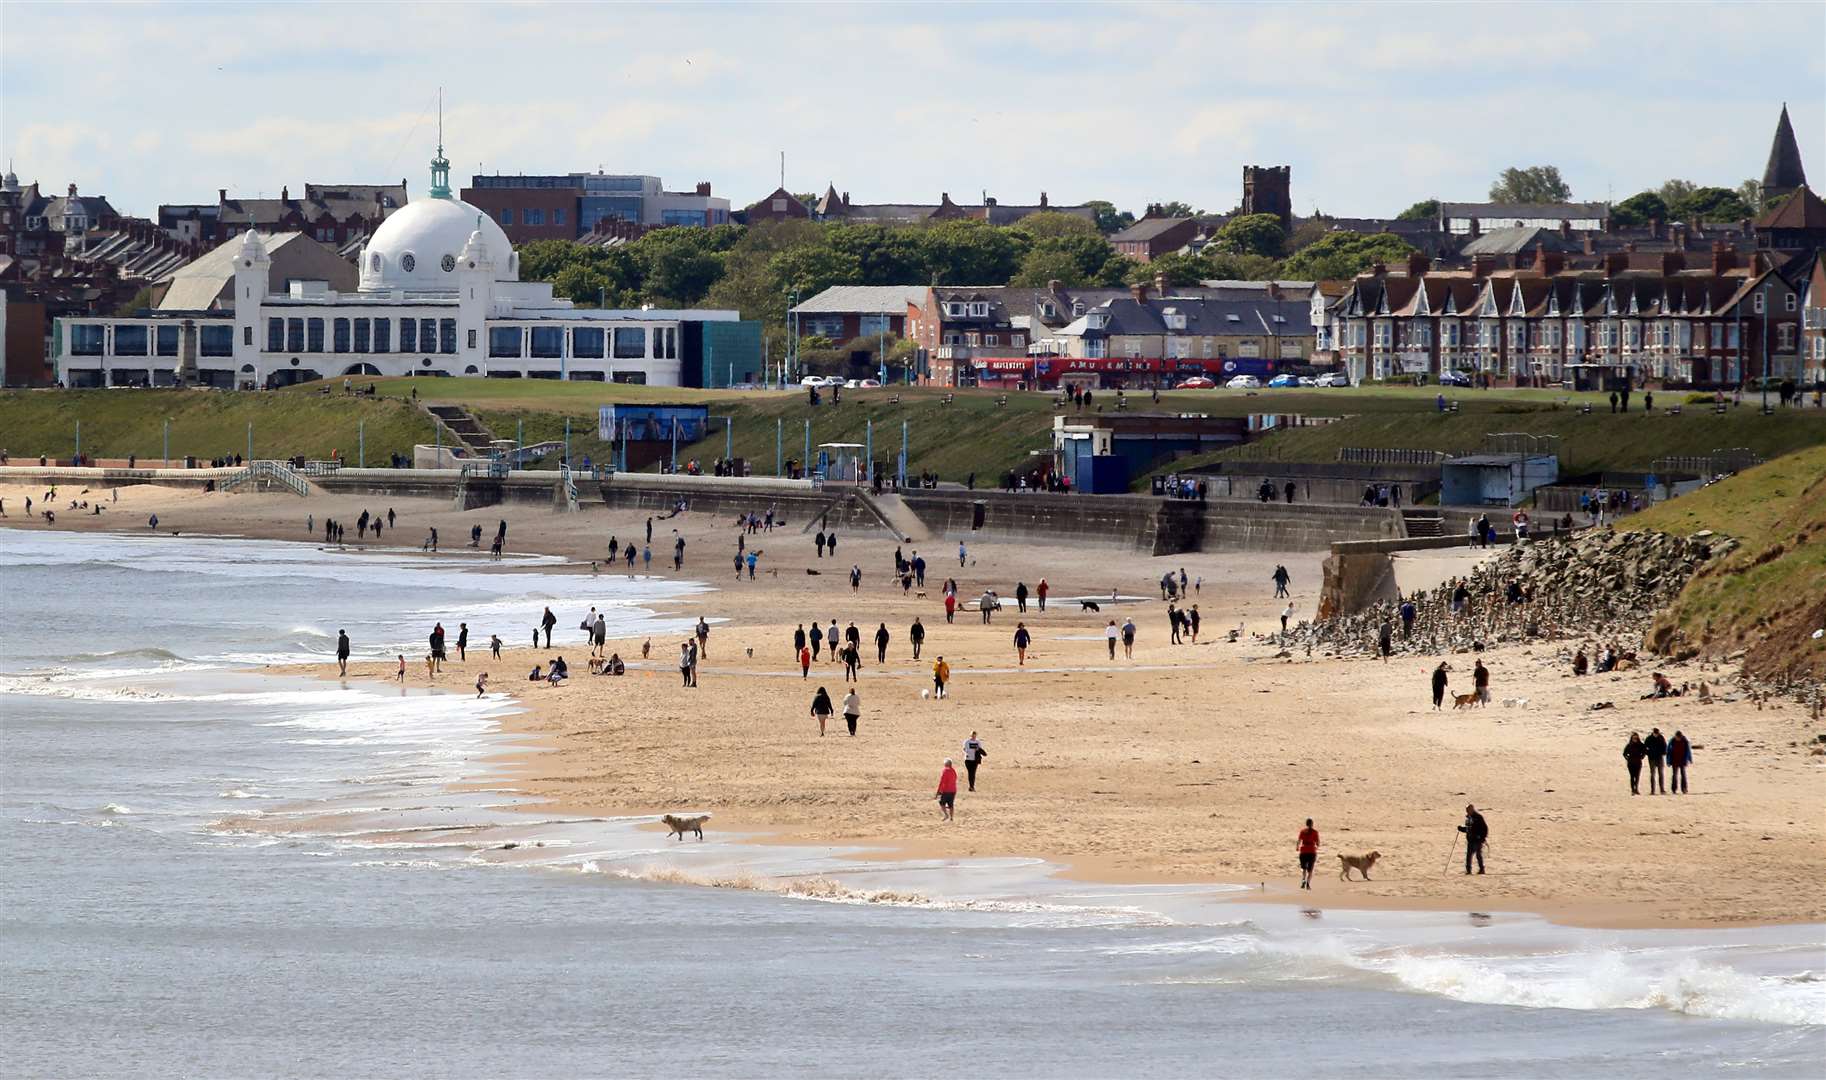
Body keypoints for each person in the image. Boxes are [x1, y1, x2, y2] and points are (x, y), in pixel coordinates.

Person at [1458, 804, 1488, 875]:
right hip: (1471, 839)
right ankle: (1474, 870)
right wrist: (1462, 829)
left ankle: (1475, 870)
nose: (1467, 811)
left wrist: (1482, 838)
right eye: (1466, 810)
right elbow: (1468, 829)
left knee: (1473, 855)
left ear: (1472, 810)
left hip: (1477, 839)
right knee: (1474, 855)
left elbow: (1484, 829)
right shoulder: (1469, 818)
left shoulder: (1478, 817)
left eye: (1468, 810)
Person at [1296, 819, 1320, 890]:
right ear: (1312, 824)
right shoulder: (1315, 832)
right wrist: (1317, 845)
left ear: (1306, 824)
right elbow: (1318, 843)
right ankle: (1308, 884)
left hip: (1303, 851)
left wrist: (1297, 847)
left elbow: (1299, 841)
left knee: (1304, 868)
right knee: (1310, 870)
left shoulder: (1302, 831)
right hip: (1312, 851)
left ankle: (1303, 880)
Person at [1644, 727, 1668, 794]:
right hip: (1652, 758)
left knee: (1661, 774)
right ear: (1653, 733)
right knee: (1652, 774)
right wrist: (1648, 753)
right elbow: (1645, 747)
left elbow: (1665, 746)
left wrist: (1664, 752)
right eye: (1655, 733)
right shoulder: (1649, 738)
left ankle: (1662, 789)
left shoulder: (1661, 738)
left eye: (1657, 733)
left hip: (1660, 758)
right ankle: (1652, 790)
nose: (1657, 734)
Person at [1668, 729, 1691, 794]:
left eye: (1679, 738)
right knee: (1674, 775)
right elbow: (1668, 751)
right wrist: (1668, 761)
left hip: (1682, 761)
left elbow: (1688, 751)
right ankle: (1674, 789)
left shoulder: (1685, 741)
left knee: (1683, 774)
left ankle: (1684, 788)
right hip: (1674, 761)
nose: (1678, 739)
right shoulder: (1672, 741)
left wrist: (1689, 759)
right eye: (1677, 737)